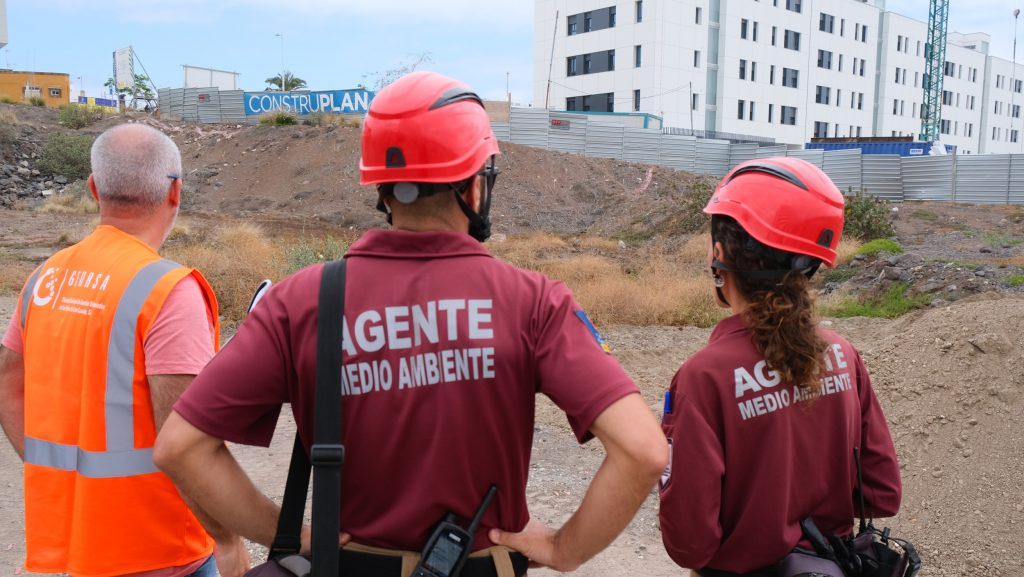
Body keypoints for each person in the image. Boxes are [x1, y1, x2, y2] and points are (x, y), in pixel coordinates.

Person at [153, 71, 668, 576]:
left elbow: (181, 447)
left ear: (380, 189)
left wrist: (287, 536)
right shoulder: (534, 301)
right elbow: (643, 451)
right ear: (473, 185)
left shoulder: (299, 301)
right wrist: (565, 548)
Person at [0, 124, 248, 577]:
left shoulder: (46, 277)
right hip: (160, 550)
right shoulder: (168, 290)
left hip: (77, 542)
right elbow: (188, 443)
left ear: (94, 187)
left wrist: (58, 473)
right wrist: (227, 537)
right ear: (175, 191)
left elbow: (8, 383)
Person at [658, 157, 903, 576]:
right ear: (810, 264)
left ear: (720, 256)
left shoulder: (703, 378)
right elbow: (882, 494)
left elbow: (689, 544)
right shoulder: (843, 354)